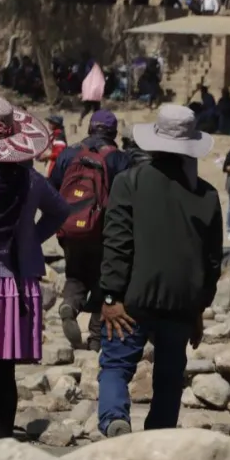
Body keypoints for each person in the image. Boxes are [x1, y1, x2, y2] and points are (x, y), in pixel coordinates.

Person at [97, 105, 222, 438]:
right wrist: (199, 309)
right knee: (169, 379)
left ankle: (114, 420)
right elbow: (212, 261)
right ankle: (160, 440)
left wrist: (110, 295)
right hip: (181, 304)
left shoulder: (129, 182)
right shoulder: (207, 195)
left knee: (115, 366)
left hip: (131, 302)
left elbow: (117, 245)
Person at [0, 98, 69, 437]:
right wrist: (32, 239)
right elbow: (60, 212)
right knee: (4, 369)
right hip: (14, 284)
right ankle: (2, 436)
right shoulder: (33, 181)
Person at [50, 110, 130, 352]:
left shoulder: (69, 153)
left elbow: (52, 187)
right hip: (103, 231)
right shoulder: (119, 159)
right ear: (114, 133)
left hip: (70, 229)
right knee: (102, 282)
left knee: (75, 274)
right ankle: (96, 339)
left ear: (90, 129)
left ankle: (70, 304)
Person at [78, 62, 105, 126]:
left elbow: (85, 85)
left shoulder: (87, 76)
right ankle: (95, 122)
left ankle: (81, 119)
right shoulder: (98, 75)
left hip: (89, 96)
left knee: (87, 109)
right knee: (96, 109)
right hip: (95, 96)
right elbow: (100, 83)